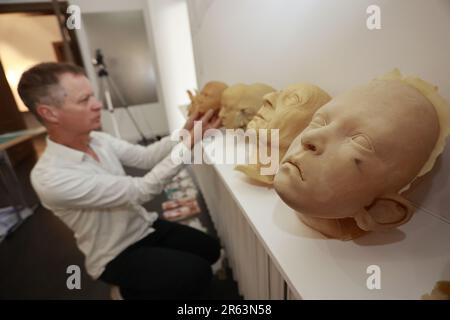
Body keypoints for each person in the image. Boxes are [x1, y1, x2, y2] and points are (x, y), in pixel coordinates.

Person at [18, 62, 222, 299]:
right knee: (196, 274)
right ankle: (126, 292)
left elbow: (145, 157)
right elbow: (141, 190)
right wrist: (188, 145)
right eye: (84, 100)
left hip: (142, 226)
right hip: (115, 253)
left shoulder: (98, 139)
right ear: (49, 113)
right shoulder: (49, 177)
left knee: (211, 250)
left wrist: (185, 132)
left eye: (93, 96)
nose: (98, 105)